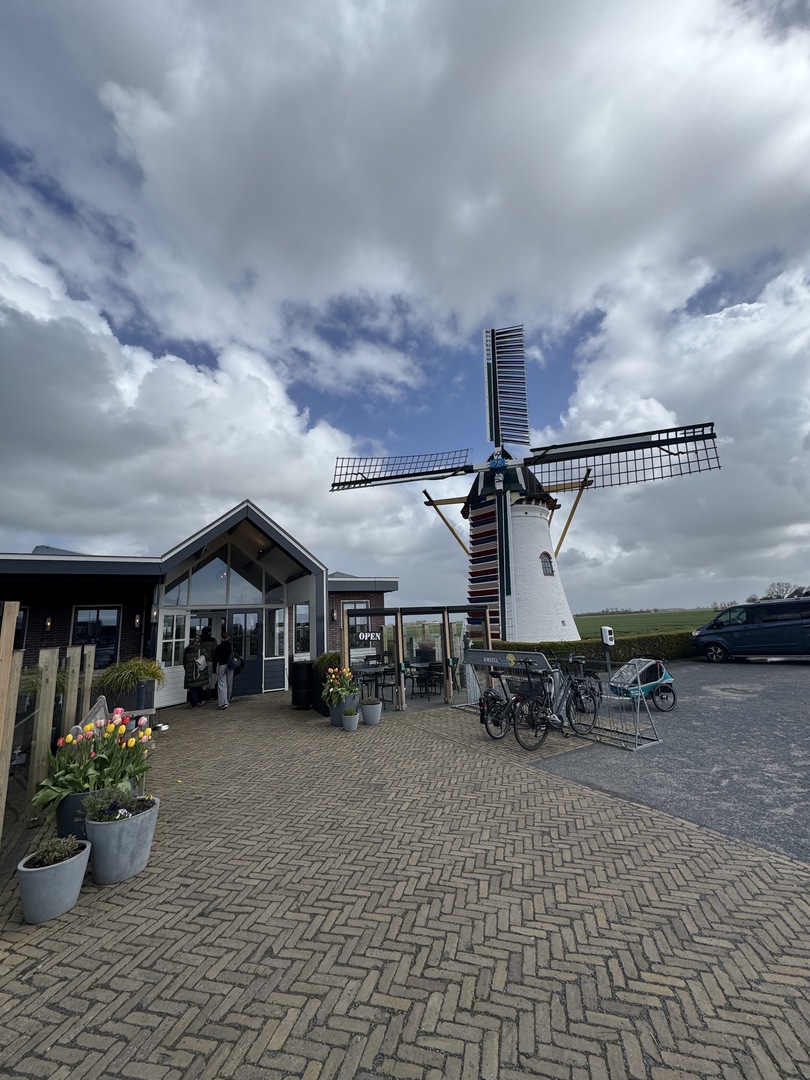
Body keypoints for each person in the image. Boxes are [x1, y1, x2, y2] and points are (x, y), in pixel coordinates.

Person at [183, 635, 207, 708]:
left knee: (192, 686)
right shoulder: (201, 649)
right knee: (199, 685)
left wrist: (186, 669)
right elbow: (207, 657)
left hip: (189, 670)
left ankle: (193, 703)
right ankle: (200, 700)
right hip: (198, 669)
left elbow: (184, 661)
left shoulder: (187, 650)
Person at [213, 630, 235, 710]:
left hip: (222, 665)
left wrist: (214, 669)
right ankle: (228, 698)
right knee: (229, 683)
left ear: (221, 638)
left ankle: (223, 702)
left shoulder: (218, 647)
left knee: (222, 684)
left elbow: (215, 659)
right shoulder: (231, 646)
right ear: (228, 637)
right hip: (230, 666)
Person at [198, 627, 216, 700]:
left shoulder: (200, 640)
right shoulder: (213, 640)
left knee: (200, 676)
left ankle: (202, 692)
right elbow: (214, 652)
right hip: (209, 660)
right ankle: (209, 692)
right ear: (209, 632)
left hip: (199, 661)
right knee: (209, 676)